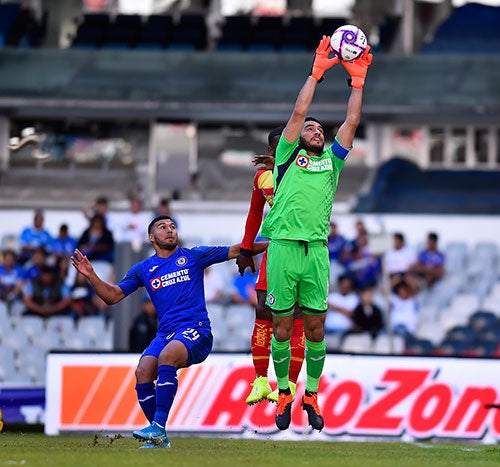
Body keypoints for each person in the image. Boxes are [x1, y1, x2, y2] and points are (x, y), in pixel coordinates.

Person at [70, 215, 266, 449]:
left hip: (196, 330)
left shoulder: (193, 256)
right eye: (163, 227)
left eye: (172, 227)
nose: (170, 230)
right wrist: (91, 275)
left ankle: (158, 428)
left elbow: (237, 249)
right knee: (143, 371)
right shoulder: (144, 269)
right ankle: (159, 437)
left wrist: (277, 244)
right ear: (151, 237)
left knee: (167, 356)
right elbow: (112, 297)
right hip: (165, 334)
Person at [258, 36, 372, 431]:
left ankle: (312, 393)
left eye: (319, 128)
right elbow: (299, 109)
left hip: (317, 253)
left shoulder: (333, 162)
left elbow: (352, 122)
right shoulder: (288, 155)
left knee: (317, 328)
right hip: (285, 248)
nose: (315, 129)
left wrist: (357, 83)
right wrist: (316, 74)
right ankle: (285, 391)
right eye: (310, 127)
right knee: (283, 327)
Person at [235, 127, 306, 406]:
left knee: (297, 315)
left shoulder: (307, 171)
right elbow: (255, 212)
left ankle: (287, 383)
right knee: (263, 308)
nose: (283, 150)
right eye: (278, 147)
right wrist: (244, 248)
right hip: (275, 249)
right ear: (272, 150)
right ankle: (261, 380)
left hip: (304, 251)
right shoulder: (263, 176)